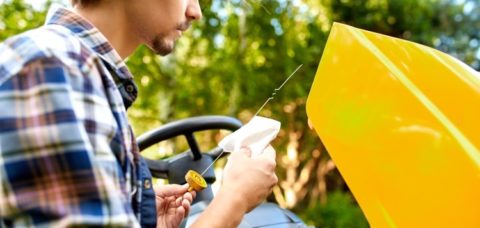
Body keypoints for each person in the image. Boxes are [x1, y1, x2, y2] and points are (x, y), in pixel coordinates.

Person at [0, 0, 278, 227]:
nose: (196, 12)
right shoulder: (49, 69)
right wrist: (234, 199)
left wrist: (138, 217)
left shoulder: (77, 73)